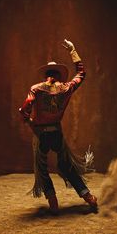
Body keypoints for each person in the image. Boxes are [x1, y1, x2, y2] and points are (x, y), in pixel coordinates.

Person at [19, 39, 97, 214]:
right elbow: (81, 73)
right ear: (59, 75)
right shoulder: (66, 88)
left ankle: (52, 201)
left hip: (41, 135)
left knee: (41, 168)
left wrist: (29, 121)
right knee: (66, 166)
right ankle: (88, 196)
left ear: (46, 74)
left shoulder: (36, 89)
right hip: (57, 133)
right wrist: (72, 50)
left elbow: (25, 108)